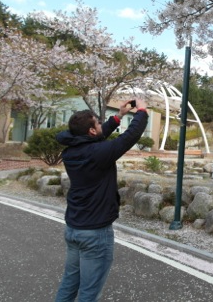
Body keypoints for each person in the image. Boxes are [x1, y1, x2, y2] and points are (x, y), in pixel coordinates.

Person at [54, 99, 148, 302]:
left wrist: (119, 116)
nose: (100, 125)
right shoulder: (98, 153)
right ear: (91, 132)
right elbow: (129, 137)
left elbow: (97, 135)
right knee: (89, 293)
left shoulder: (70, 150)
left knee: (69, 284)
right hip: (95, 234)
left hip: (74, 228)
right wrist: (142, 111)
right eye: (98, 123)